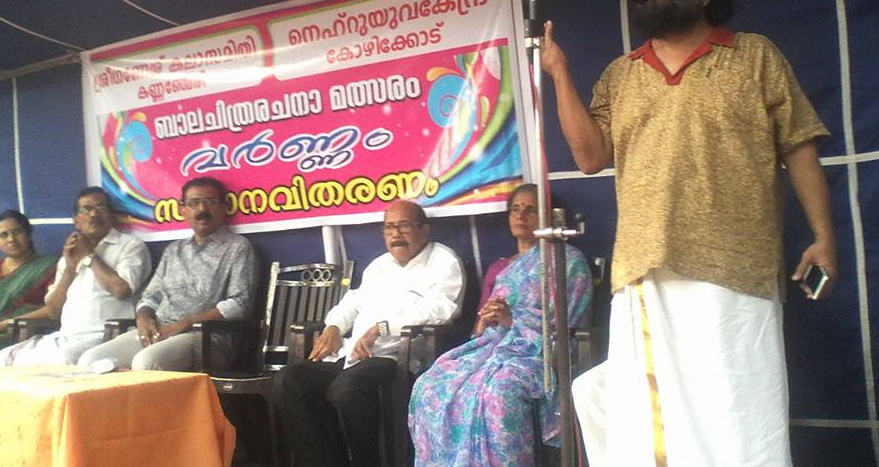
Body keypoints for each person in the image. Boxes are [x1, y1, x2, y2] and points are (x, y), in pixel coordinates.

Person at [542, 0, 838, 466]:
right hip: (646, 267)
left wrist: (823, 236)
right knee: (653, 428)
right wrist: (560, 74)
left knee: (738, 414)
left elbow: (799, 146)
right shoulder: (621, 74)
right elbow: (589, 156)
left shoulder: (753, 55)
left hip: (737, 266)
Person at [408, 183, 592, 466]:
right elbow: (484, 326)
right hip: (493, 347)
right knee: (431, 385)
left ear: (549, 216)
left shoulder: (568, 262)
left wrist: (512, 320)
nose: (521, 216)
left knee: (498, 392)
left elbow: (567, 322)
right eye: (515, 209)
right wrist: (485, 323)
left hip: (539, 354)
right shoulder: (507, 268)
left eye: (530, 210)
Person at [273, 200, 465, 467]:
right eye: (389, 227)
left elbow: (443, 309)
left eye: (404, 226)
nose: (396, 234)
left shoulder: (443, 261)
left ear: (424, 229)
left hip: (395, 357)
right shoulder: (380, 266)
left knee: (347, 388)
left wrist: (382, 328)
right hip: (351, 355)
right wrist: (334, 327)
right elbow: (353, 301)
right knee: (289, 380)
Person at [78, 177, 256, 371]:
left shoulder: (237, 247)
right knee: (91, 360)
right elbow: (150, 297)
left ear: (223, 208)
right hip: (161, 330)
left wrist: (185, 324)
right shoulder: (174, 250)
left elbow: (239, 304)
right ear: (183, 210)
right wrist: (143, 319)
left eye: (210, 202)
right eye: (194, 203)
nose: (202, 209)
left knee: (146, 362)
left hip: (206, 336)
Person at [0, 187, 151, 366]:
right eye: (86, 209)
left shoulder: (130, 246)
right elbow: (53, 311)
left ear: (111, 215)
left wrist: (90, 256)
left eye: (100, 207)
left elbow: (122, 290)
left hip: (105, 337)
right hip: (66, 337)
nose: (93, 214)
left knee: (64, 359)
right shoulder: (70, 255)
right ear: (76, 221)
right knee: (3, 358)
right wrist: (69, 269)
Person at [0, 210, 57, 367]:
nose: (11, 239)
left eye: (17, 232)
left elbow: (55, 307)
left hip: (11, 333)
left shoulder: (50, 266)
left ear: (28, 234)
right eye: (4, 235)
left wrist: (7, 323)